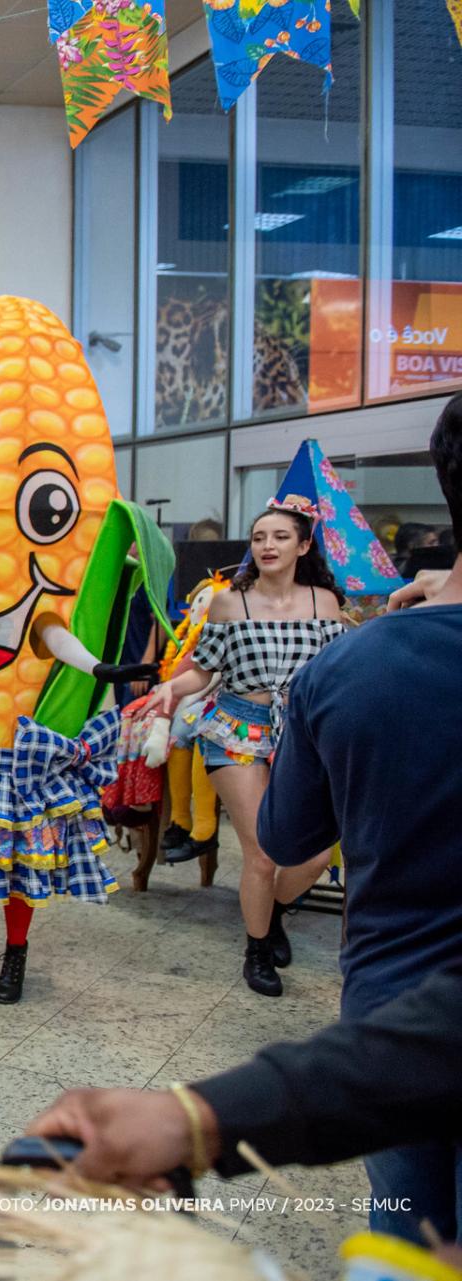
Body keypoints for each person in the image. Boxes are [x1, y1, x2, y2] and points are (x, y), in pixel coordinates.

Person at [245, 393, 462, 1241]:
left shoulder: (352, 657)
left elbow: (288, 836)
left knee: (405, 1229)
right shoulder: (328, 639)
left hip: (393, 1013)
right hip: (243, 724)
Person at [27, 965, 462, 1256]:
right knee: (409, 1232)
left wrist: (201, 1116)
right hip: (396, 1034)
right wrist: (198, 1116)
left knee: (408, 1212)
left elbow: (289, 844)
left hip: (388, 995)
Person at [138, 499, 346, 998]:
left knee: (315, 854)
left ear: (304, 545)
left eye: (278, 537)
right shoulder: (230, 601)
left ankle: (269, 914)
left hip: (302, 733)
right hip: (238, 729)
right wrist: (171, 688)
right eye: (259, 538)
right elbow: (204, 669)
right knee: (261, 853)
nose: (267, 546)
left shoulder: (324, 603)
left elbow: (337, 675)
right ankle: (257, 950)